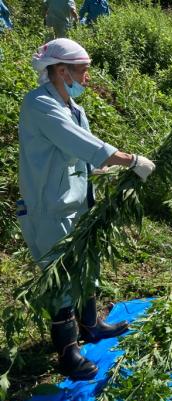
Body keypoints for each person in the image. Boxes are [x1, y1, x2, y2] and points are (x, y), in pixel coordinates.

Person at [19, 38, 156, 380]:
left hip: (78, 199)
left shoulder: (72, 106)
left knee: (87, 261)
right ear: (61, 71)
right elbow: (80, 143)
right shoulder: (39, 105)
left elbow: (83, 155)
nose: (87, 77)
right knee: (62, 276)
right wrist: (130, 160)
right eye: (83, 70)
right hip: (50, 206)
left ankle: (92, 323)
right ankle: (68, 353)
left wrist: (103, 172)